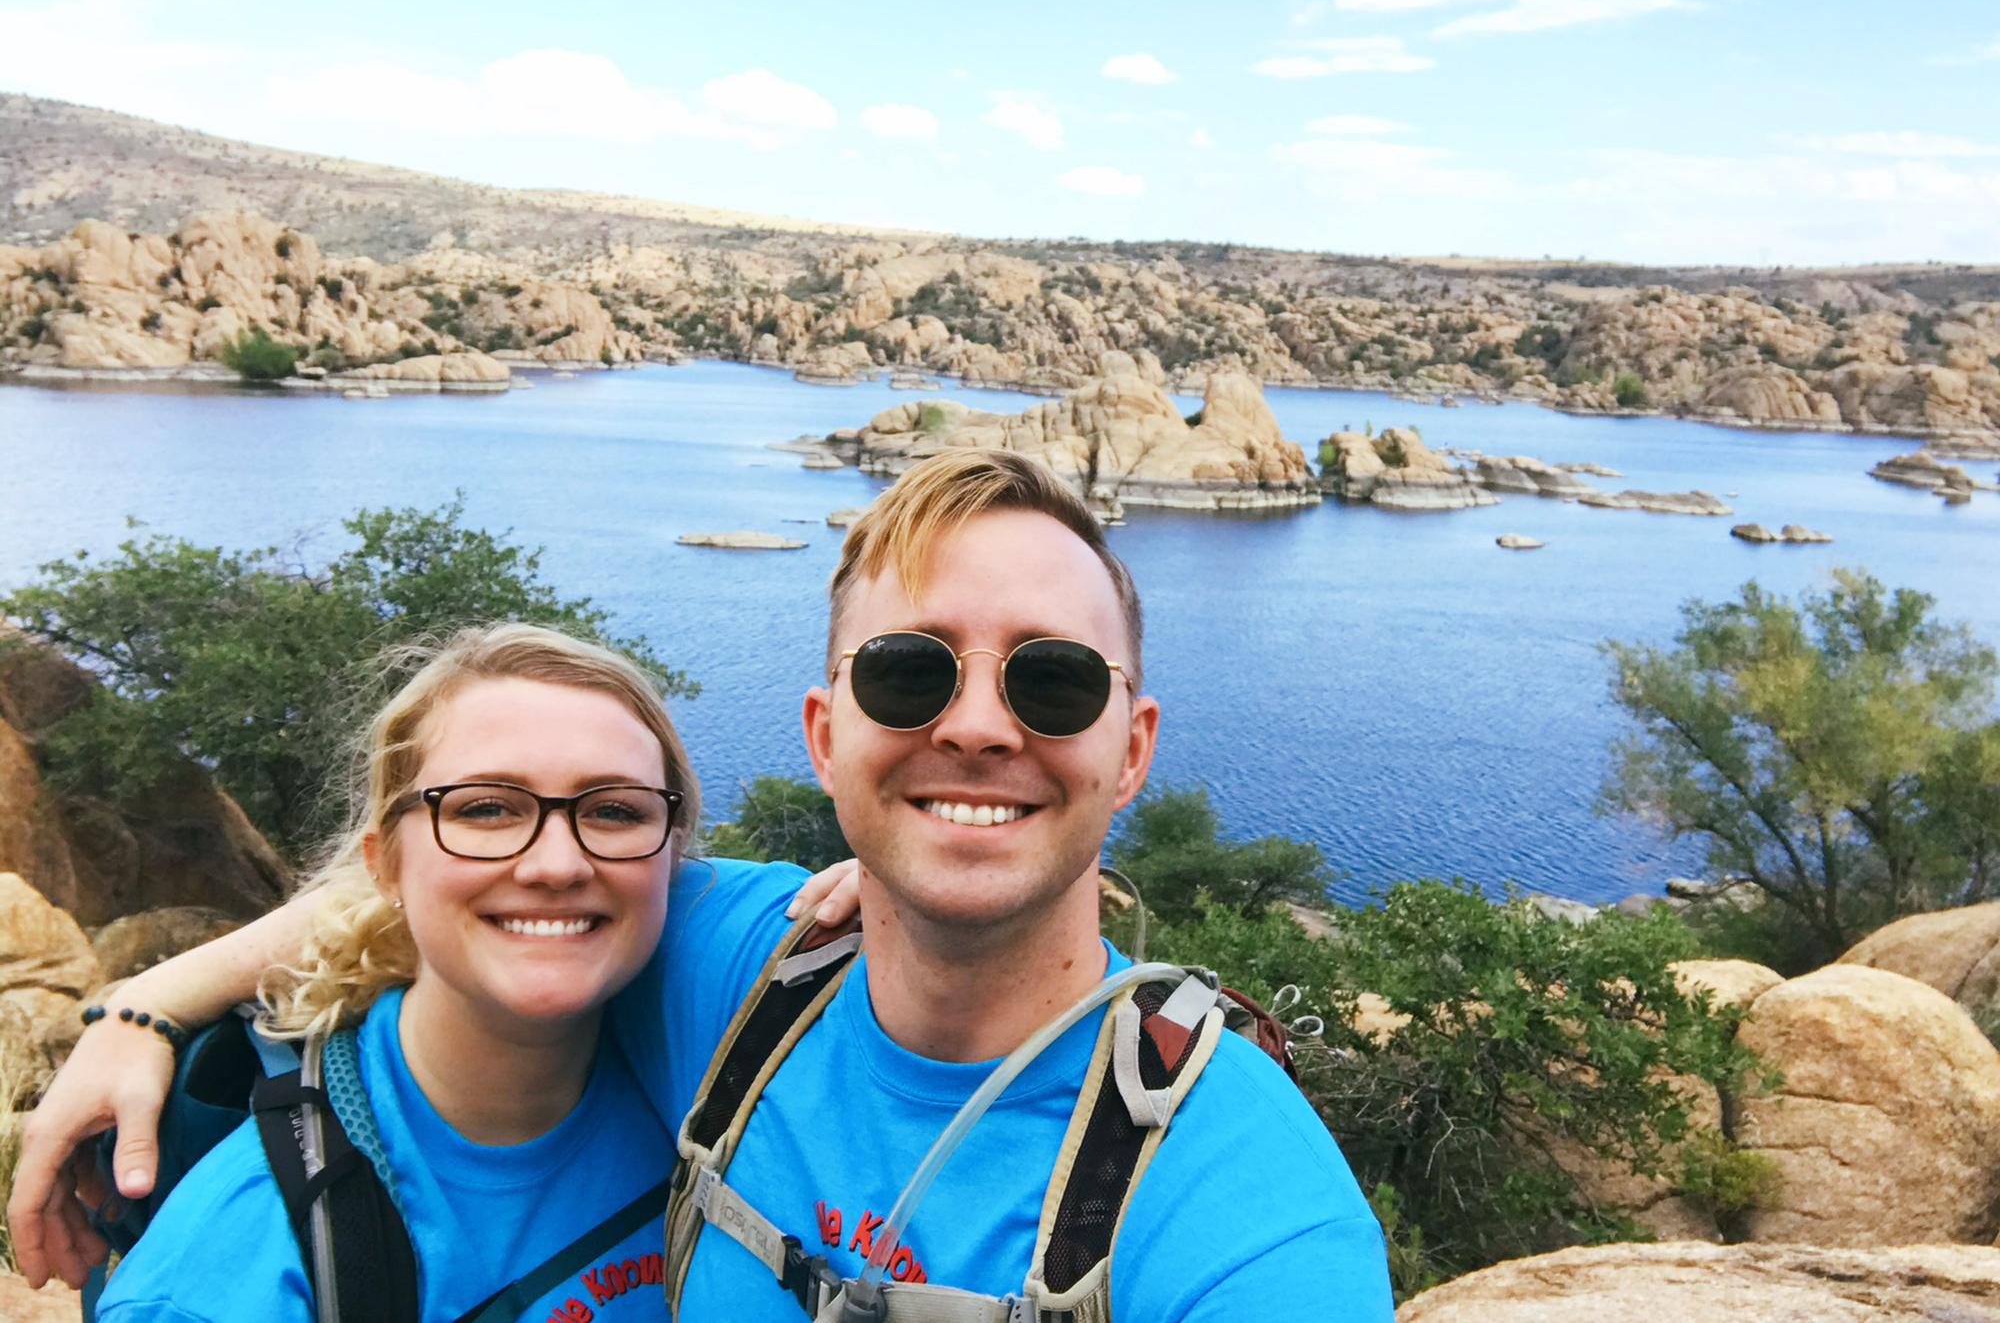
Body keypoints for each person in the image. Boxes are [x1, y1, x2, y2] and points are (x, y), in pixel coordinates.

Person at [15, 449, 1394, 1321]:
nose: (978, 724)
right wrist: (146, 1006)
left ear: (1131, 746)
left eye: (1053, 679)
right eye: (909, 672)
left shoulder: (1242, 1208)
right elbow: (486, 870)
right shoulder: (742, 965)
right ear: (826, 735)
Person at [52, 623, 857, 1322]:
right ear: (383, 864)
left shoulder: (711, 1013)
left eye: (613, 810)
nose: (556, 864)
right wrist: (136, 1009)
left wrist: (901, 890)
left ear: (672, 858)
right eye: (485, 808)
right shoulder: (227, 1278)